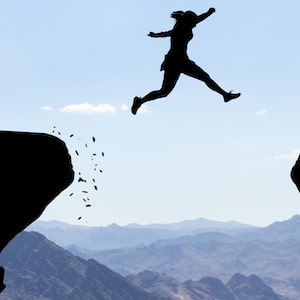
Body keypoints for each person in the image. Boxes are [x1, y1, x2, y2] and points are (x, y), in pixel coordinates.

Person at [131, 8, 241, 115]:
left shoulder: (186, 25)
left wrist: (209, 13)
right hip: (174, 62)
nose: (195, 24)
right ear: (188, 21)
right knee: (164, 92)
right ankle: (140, 101)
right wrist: (156, 35)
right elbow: (168, 33)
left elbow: (198, 19)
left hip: (183, 61)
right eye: (194, 22)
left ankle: (225, 95)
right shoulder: (180, 28)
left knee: (205, 77)